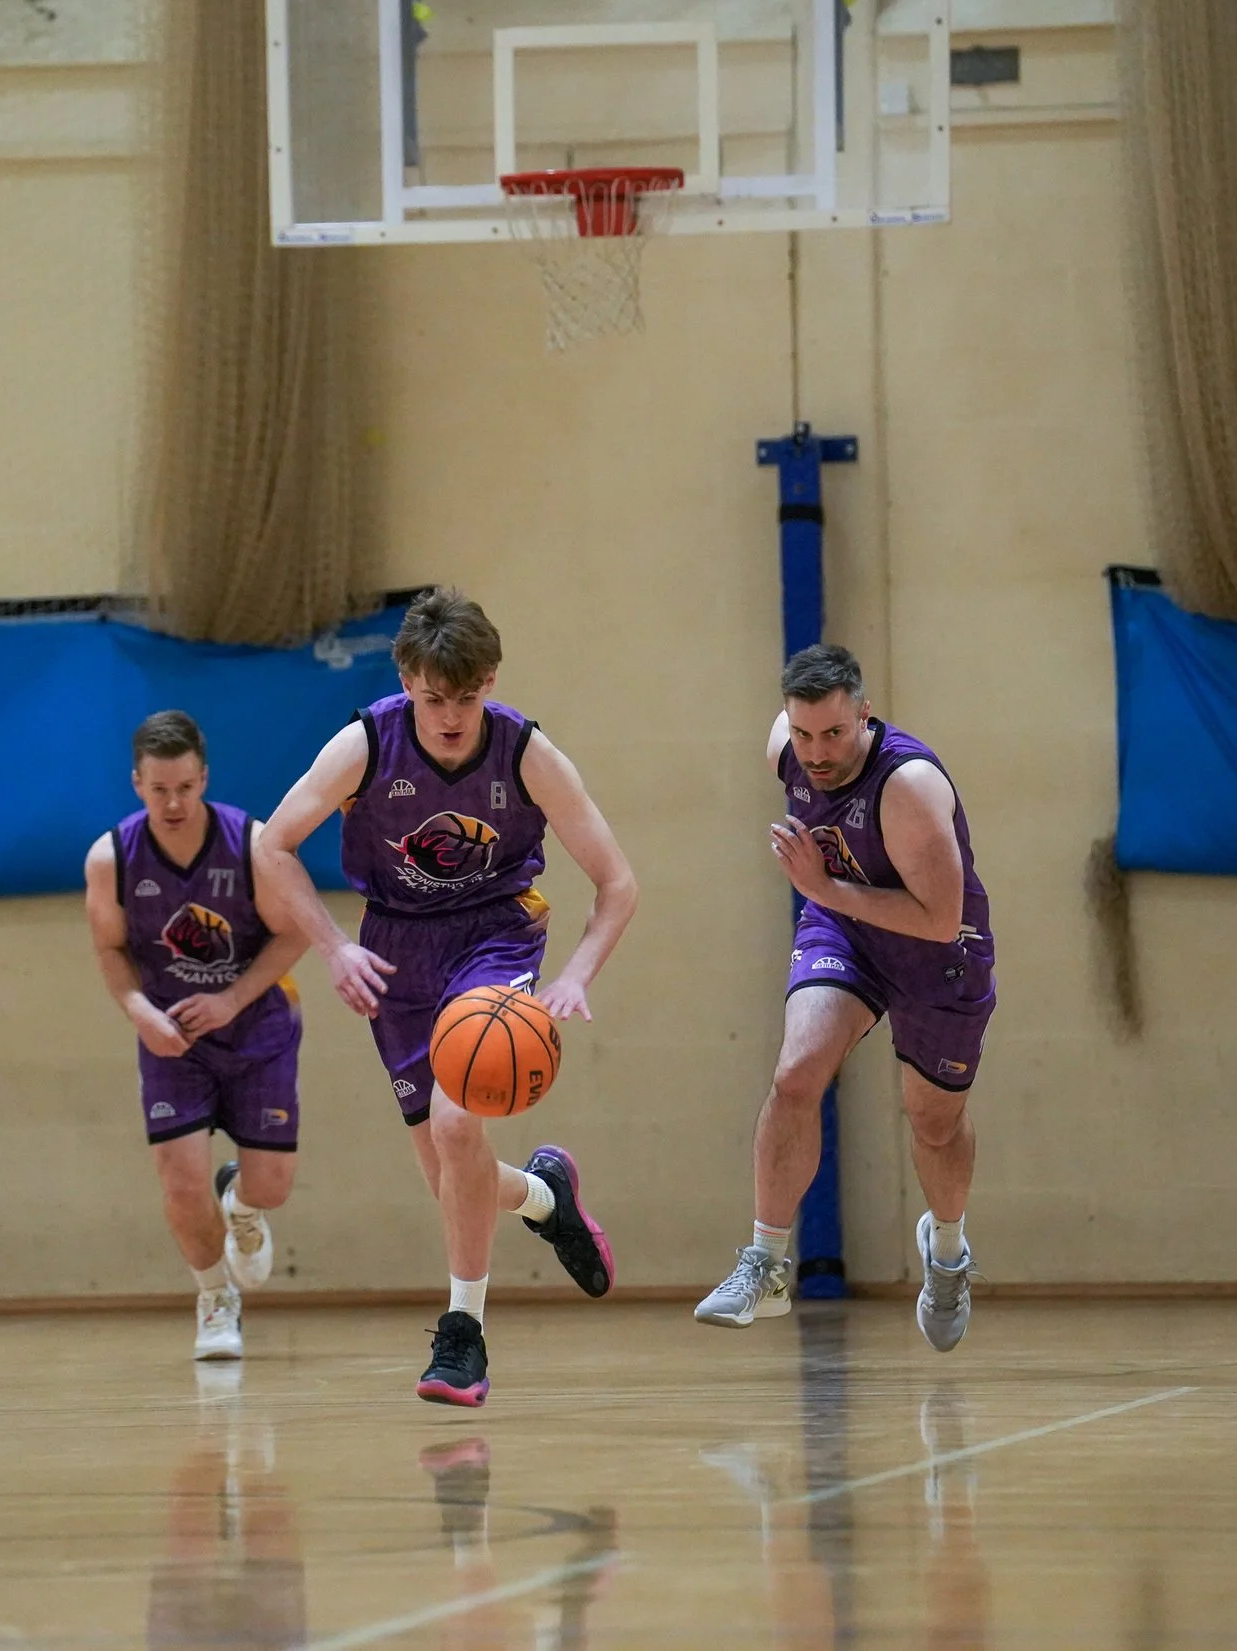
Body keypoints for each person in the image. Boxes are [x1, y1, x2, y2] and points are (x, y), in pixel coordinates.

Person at [253, 588, 638, 1406]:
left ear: (490, 680)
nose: (452, 716)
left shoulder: (527, 754)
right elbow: (272, 844)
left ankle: (463, 1334)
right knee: (448, 1173)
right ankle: (543, 1196)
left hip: (494, 933)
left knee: (461, 1121)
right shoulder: (365, 742)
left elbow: (617, 882)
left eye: (467, 697)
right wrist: (333, 946)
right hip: (396, 948)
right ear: (406, 679)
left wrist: (575, 976)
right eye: (435, 698)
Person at [695, 644, 998, 1351]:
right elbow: (796, 757)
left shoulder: (909, 787)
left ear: (864, 712)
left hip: (938, 951)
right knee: (796, 1072)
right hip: (846, 925)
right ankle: (765, 1262)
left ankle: (947, 1252)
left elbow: (938, 916)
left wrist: (824, 889)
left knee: (933, 1125)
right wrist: (829, 900)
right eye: (803, 734)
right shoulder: (789, 748)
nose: (817, 751)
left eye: (833, 733)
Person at [83, 710, 309, 1362]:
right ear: (136, 784)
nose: (174, 802)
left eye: (185, 786)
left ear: (203, 776)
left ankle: (241, 1204)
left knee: (274, 1186)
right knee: (179, 1180)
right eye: (159, 789)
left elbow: (293, 933)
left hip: (257, 1023)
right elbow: (109, 950)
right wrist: (138, 1011)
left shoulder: (250, 846)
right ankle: (215, 1298)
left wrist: (231, 997)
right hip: (171, 1037)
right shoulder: (111, 859)